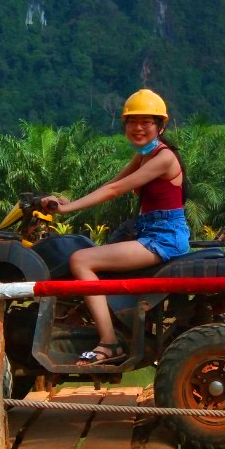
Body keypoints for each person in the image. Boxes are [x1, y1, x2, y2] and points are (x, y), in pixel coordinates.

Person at [39, 89, 190, 365]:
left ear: (160, 126)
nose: (138, 128)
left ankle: (109, 342)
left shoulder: (164, 158)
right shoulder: (145, 155)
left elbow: (116, 190)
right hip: (150, 232)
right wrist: (69, 201)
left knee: (81, 260)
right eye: (132, 122)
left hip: (163, 237)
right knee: (91, 255)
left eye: (146, 122)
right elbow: (112, 183)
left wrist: (66, 210)